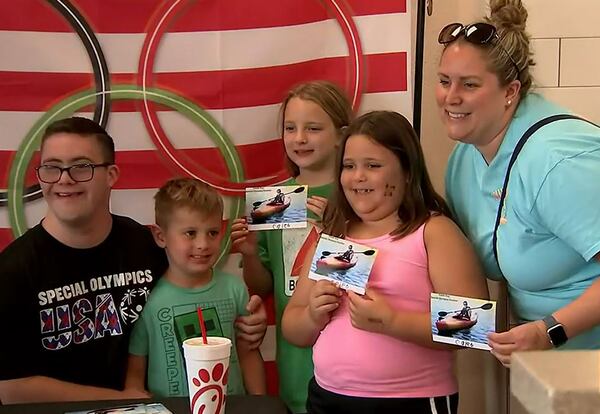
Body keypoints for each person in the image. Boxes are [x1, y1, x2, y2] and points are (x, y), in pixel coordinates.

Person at [0, 117, 267, 405]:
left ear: (112, 175)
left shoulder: (147, 245)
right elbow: (12, 389)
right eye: (52, 167)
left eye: (81, 167)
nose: (64, 178)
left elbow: (206, 295)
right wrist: (123, 399)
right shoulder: (13, 270)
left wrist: (249, 322)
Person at [282, 111, 489, 414]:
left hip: (410, 402)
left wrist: (392, 321)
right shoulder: (333, 236)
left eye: (373, 166)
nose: (358, 176)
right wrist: (313, 314)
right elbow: (293, 328)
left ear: (406, 171)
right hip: (327, 398)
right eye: (349, 166)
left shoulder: (433, 232)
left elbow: (474, 327)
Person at [437, 0, 600, 366]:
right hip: (545, 366)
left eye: (470, 84)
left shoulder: (555, 160)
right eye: (444, 81)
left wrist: (550, 331)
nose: (451, 97)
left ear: (510, 92)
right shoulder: (463, 160)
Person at [230, 80, 353, 413]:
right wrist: (252, 253)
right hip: (295, 368)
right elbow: (263, 287)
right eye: (290, 128)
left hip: (349, 367)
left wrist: (337, 228)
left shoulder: (357, 195)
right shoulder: (273, 202)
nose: (299, 138)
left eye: (313, 128)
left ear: (341, 135)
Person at [126, 178, 266, 397]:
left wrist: (260, 403)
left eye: (212, 232)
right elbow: (136, 367)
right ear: (161, 236)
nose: (203, 244)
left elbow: (248, 352)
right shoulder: (148, 299)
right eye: (190, 233)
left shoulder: (235, 289)